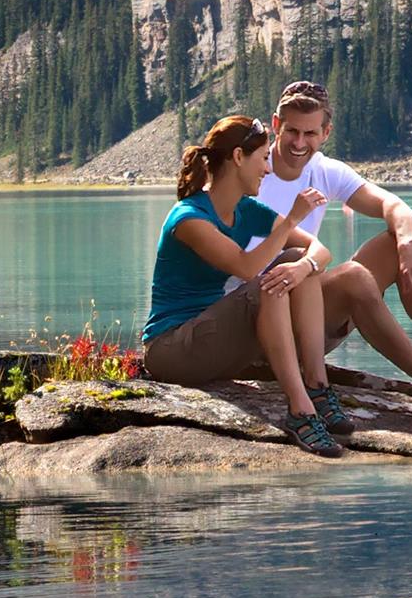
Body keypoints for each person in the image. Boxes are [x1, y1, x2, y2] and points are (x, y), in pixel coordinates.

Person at [245, 80, 412, 432]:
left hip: (305, 309)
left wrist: (408, 244)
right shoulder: (252, 170)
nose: (299, 143)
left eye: (310, 133)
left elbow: (394, 205)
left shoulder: (325, 171)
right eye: (291, 131)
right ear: (276, 125)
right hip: (259, 316)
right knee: (350, 276)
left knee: (393, 243)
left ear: (326, 132)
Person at [140, 113, 347, 456]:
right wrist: (292, 218)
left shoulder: (246, 209)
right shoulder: (189, 218)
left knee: (297, 263)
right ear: (238, 157)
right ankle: (300, 411)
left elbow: (320, 249)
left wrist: (305, 266)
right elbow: (247, 267)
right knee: (269, 283)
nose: (268, 169)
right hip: (172, 350)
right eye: (263, 158)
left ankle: (316, 385)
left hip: (214, 339)